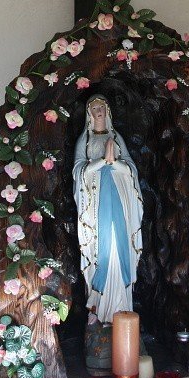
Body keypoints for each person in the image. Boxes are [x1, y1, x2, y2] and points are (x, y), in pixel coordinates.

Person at [73, 96, 143, 325]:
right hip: (96, 203)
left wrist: (115, 162)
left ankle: (123, 307)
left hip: (119, 199)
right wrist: (103, 161)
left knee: (119, 244)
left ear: (108, 110)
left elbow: (131, 169)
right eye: (94, 108)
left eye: (102, 107)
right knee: (99, 247)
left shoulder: (116, 138)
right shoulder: (85, 140)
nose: (99, 111)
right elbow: (78, 171)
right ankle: (97, 306)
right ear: (89, 113)